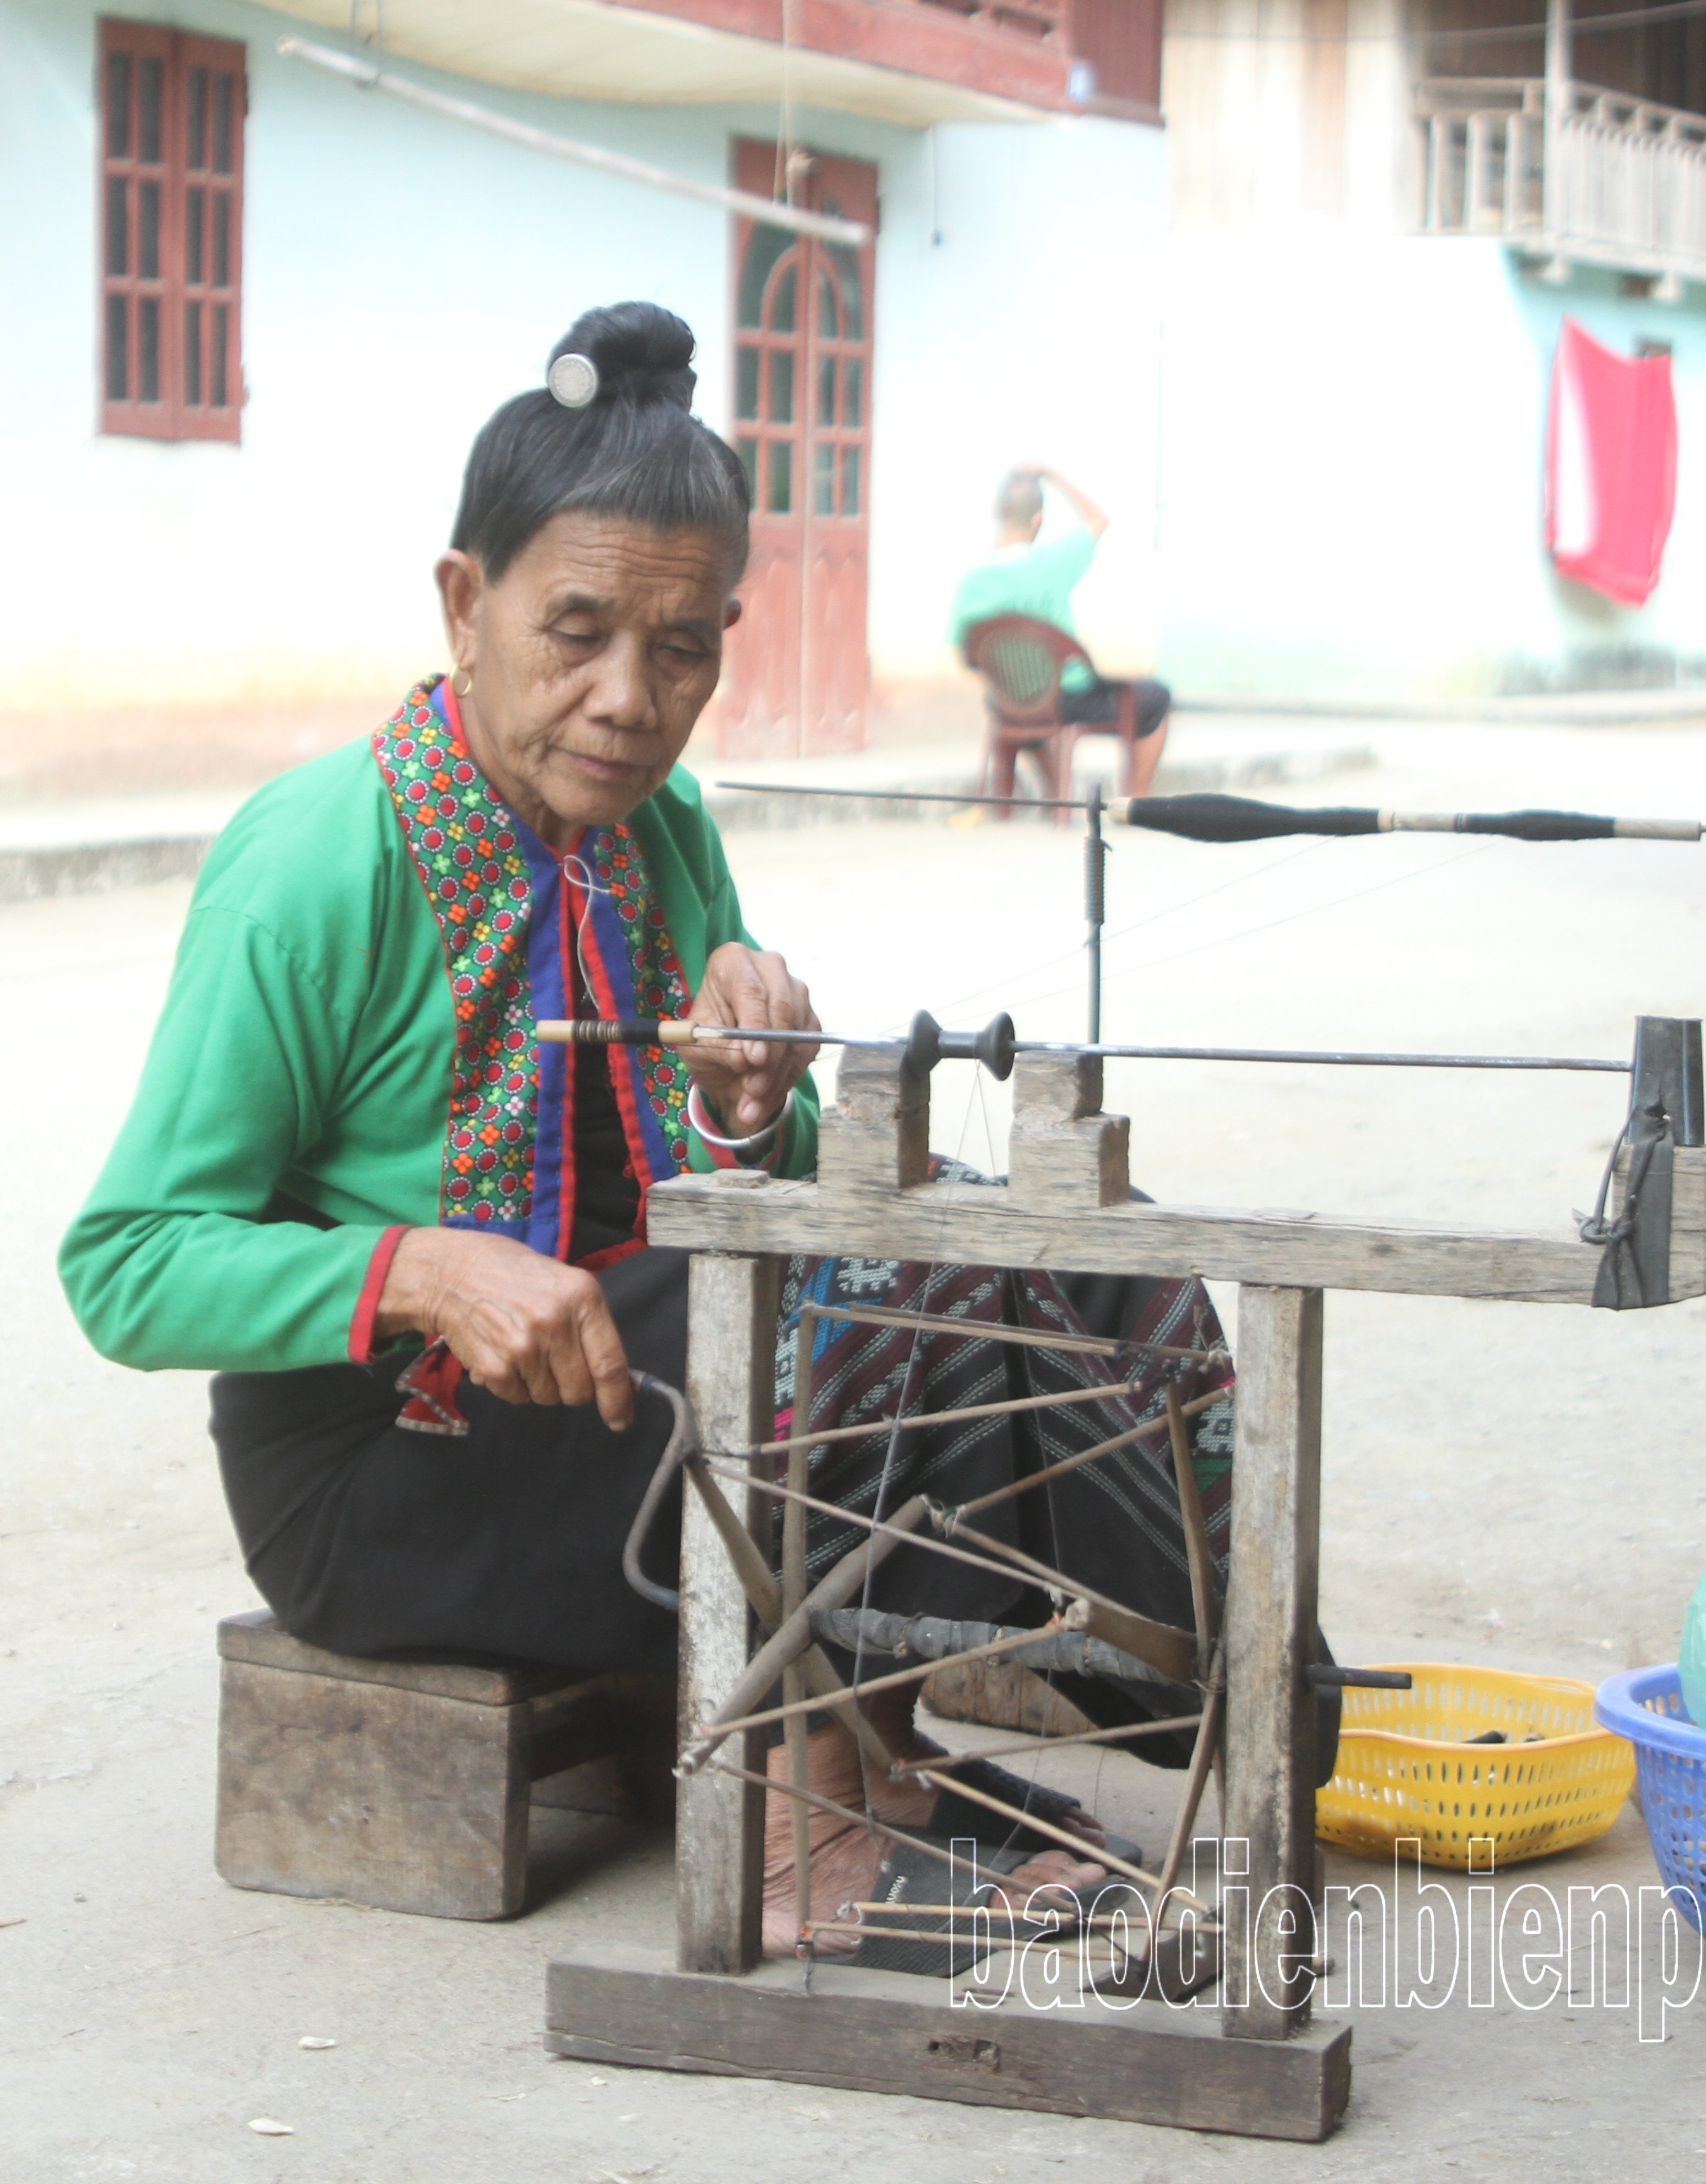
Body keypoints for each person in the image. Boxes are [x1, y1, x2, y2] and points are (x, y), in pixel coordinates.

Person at [61, 305, 1233, 1966]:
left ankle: (1218, 1716)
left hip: (629, 1395)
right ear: (466, 606)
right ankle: (802, 1828)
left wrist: (745, 1104)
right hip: (387, 1473)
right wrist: (421, 1270)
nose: (628, 700)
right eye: (579, 632)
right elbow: (124, 1265)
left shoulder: (662, 828)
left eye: (684, 649)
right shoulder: (315, 861)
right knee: (818, 1318)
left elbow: (757, 1176)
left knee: (1066, 1263)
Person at [946, 464, 1173, 760]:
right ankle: (1133, 804)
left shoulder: (971, 583)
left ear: (994, 511)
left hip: (1009, 703)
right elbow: (1098, 519)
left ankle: (1056, 803)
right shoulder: (1054, 561)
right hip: (1071, 701)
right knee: (1157, 697)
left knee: (1025, 705)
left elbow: (964, 658)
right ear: (1038, 520)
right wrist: (1052, 475)